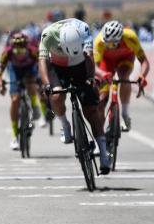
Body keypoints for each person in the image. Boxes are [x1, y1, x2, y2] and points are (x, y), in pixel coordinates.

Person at [38, 18, 111, 174]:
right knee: (56, 97)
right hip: (58, 68)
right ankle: (65, 125)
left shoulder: (83, 30)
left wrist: (91, 79)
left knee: (91, 111)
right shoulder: (48, 35)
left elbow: (90, 57)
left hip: (80, 65)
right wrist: (46, 84)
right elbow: (43, 62)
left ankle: (104, 154)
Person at [94, 20, 150, 131]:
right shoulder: (99, 41)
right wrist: (102, 75)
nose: (109, 46)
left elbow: (144, 61)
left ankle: (124, 114)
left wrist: (142, 75)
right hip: (106, 62)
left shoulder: (130, 37)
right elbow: (94, 66)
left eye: (113, 43)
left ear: (120, 38)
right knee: (101, 98)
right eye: (107, 43)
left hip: (125, 60)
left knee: (124, 78)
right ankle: (99, 133)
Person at [0, 31, 45, 150]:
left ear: (26, 46)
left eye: (22, 49)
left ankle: (34, 105)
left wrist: (42, 81)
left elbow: (42, 67)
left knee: (32, 84)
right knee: (15, 99)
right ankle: (14, 137)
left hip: (30, 70)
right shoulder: (7, 52)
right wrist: (1, 85)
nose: (20, 54)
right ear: (12, 47)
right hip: (14, 72)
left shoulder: (33, 51)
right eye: (17, 50)